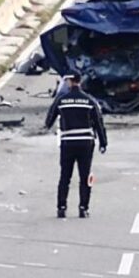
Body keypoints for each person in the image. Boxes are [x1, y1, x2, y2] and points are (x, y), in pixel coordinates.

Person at [45, 72, 108, 218]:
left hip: (68, 142)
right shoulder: (89, 101)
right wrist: (103, 142)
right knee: (85, 176)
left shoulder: (62, 100)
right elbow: (99, 123)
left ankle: (61, 207)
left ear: (69, 82)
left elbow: (49, 120)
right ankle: (83, 208)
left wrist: (50, 125)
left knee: (65, 176)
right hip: (86, 143)